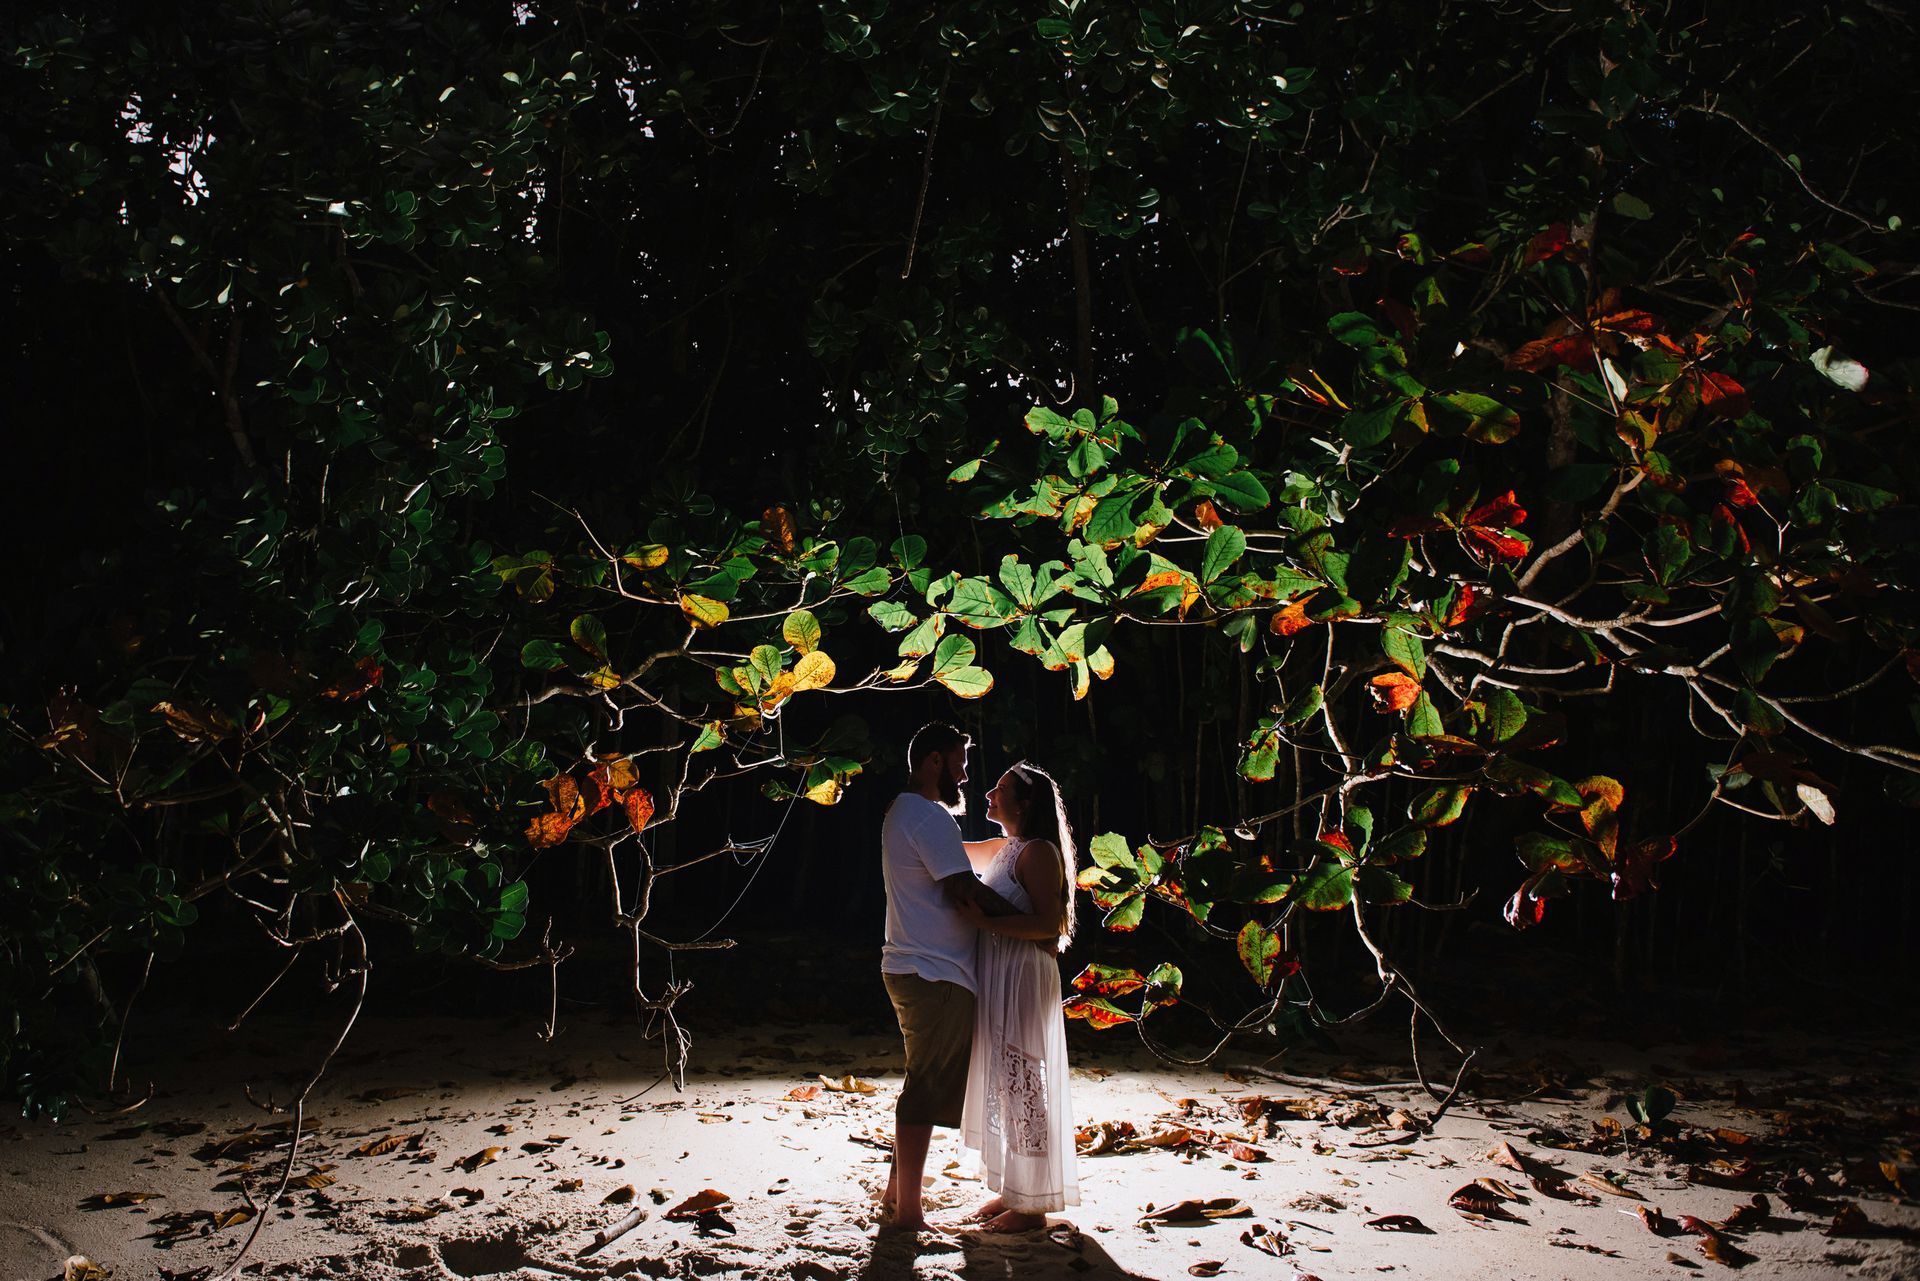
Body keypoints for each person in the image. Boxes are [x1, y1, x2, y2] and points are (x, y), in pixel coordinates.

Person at [877, 722, 1018, 1233]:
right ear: (933, 760)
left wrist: (1009, 849)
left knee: (924, 1079)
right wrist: (1034, 925)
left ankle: (897, 1195)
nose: (963, 774)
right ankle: (909, 1213)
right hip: (932, 971)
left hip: (918, 967)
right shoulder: (926, 814)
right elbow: (964, 889)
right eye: (958, 762)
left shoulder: (909, 812)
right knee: (925, 1088)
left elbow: (961, 859)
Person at [955, 761, 1080, 1232]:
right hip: (1000, 969)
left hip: (1024, 972)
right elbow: (948, 850)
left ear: (1025, 804)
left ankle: (1033, 1206)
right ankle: (1016, 1189)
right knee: (1007, 1082)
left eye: (1001, 789)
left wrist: (985, 922)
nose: (989, 793)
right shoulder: (1004, 848)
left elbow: (1049, 926)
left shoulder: (1039, 852)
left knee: (1024, 1079)